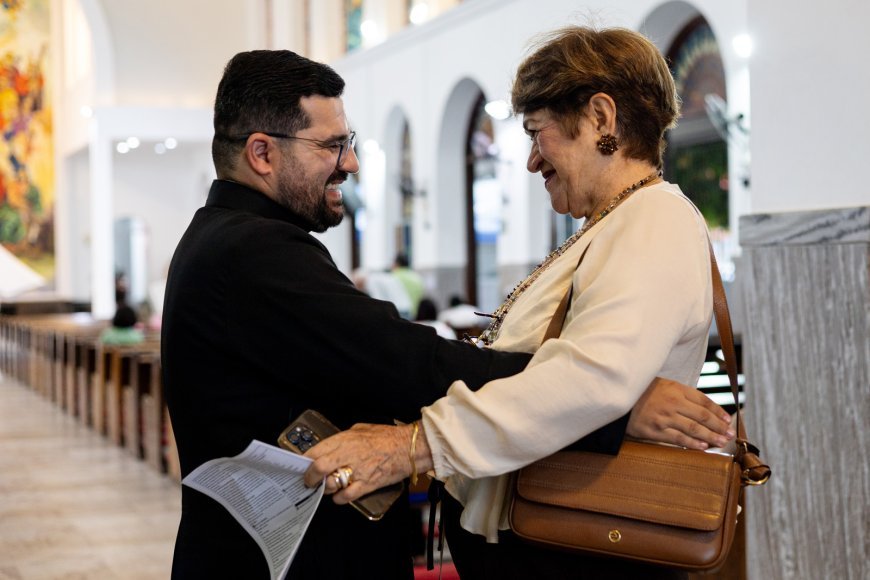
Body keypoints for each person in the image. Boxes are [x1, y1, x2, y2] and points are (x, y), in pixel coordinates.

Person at [162, 49, 732, 580]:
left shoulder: (654, 217)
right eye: (331, 146)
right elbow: (400, 358)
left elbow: (595, 377)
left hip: (589, 529)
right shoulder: (248, 247)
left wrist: (415, 444)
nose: (351, 163)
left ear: (602, 118)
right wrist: (616, 409)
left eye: (537, 133)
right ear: (261, 152)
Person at [392, 252, 425, 318]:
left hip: (398, 316)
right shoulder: (417, 277)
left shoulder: (393, 277)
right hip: (415, 316)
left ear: (397, 264)